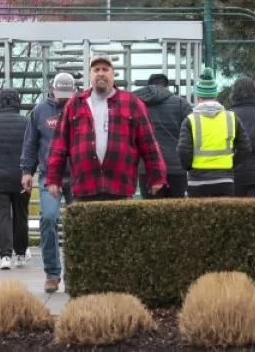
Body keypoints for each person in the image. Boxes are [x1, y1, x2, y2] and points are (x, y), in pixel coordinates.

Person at [46, 54, 166, 203]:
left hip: (120, 187)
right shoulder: (74, 104)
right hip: (85, 187)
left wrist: (156, 176)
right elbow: (59, 145)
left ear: (112, 73)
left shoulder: (133, 103)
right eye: (96, 69)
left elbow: (149, 143)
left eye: (105, 69)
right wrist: (53, 178)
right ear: (90, 74)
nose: (101, 73)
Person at [21, 72, 76, 294]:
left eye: (67, 95)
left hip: (78, 175)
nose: (63, 99)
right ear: (52, 89)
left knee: (80, 225)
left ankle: (75, 272)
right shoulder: (40, 112)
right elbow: (30, 143)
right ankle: (52, 273)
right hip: (49, 175)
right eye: (59, 94)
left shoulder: (82, 108)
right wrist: (26, 171)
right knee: (49, 219)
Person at [177, 68, 252, 197]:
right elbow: (246, 149)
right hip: (225, 181)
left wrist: (190, 168)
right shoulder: (231, 118)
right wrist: (230, 165)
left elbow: (183, 151)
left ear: (198, 97)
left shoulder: (190, 121)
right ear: (216, 96)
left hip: (197, 181)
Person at [0, 87, 30, 270]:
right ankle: (21, 253)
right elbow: (31, 150)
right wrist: (30, 172)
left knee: (1, 217)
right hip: (21, 177)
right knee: (21, 215)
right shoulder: (27, 122)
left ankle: (5, 256)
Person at [134, 73, 193, 198]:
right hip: (176, 168)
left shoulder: (137, 104)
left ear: (148, 87)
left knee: (151, 213)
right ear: (167, 87)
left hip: (147, 168)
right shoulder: (182, 104)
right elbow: (190, 136)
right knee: (175, 212)